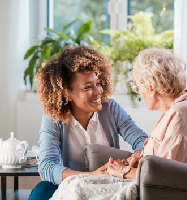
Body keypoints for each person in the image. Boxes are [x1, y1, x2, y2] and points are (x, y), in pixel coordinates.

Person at [28, 45, 148, 200]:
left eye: (98, 83)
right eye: (88, 87)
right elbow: (47, 167)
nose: (99, 91)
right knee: (42, 190)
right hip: (70, 185)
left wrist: (134, 158)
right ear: (67, 93)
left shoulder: (110, 109)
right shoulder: (53, 118)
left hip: (107, 184)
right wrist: (90, 176)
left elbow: (142, 141)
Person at [106, 47, 187, 179]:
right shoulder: (181, 107)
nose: (139, 93)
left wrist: (124, 171)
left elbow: (165, 176)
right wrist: (140, 158)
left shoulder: (182, 115)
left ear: (151, 88)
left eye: (137, 87)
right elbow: (165, 159)